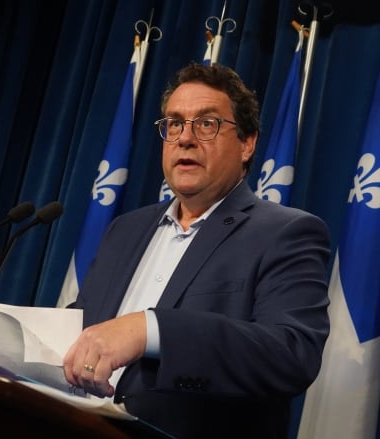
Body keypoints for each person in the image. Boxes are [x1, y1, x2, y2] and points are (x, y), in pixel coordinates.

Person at [63, 62, 330, 438]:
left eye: (207, 124)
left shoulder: (286, 232)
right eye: (174, 123)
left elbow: (290, 355)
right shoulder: (126, 230)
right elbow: (85, 330)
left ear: (247, 143)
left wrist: (150, 329)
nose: (185, 138)